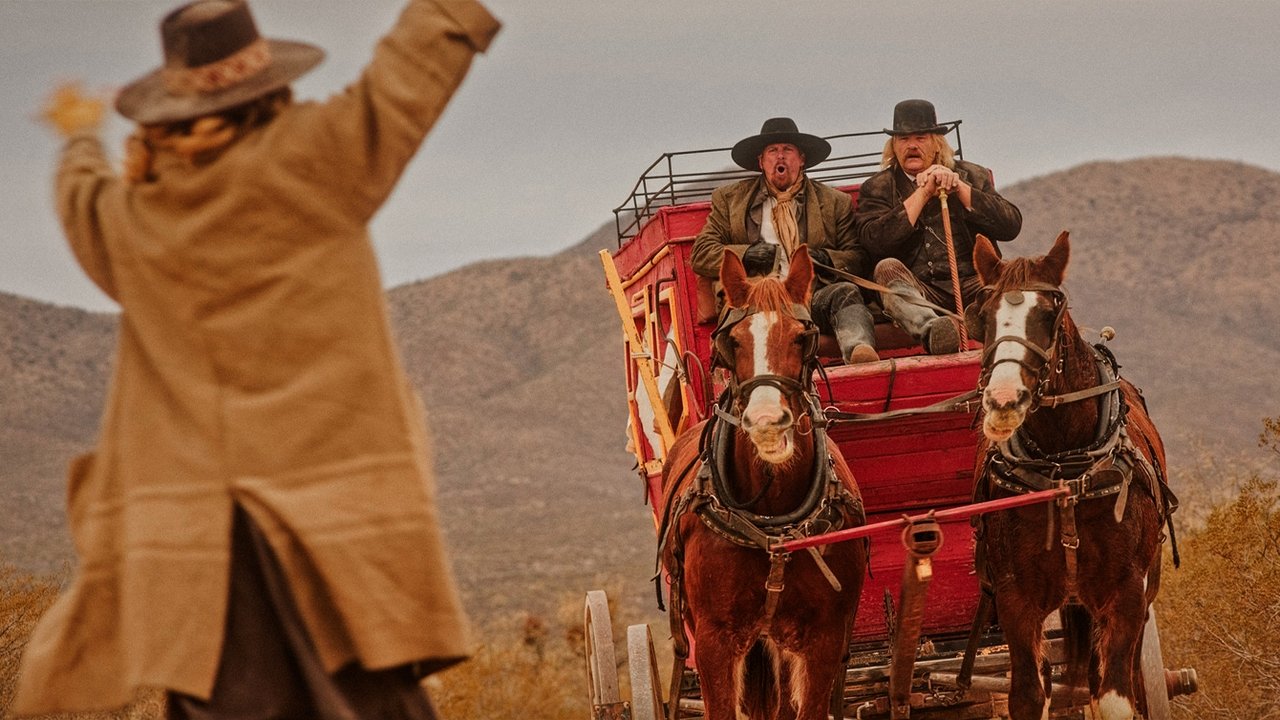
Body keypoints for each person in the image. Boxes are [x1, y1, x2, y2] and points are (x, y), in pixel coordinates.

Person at [19, 1, 499, 718]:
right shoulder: (324, 158)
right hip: (338, 537)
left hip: (200, 547)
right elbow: (414, 67)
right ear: (268, 84)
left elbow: (79, 196)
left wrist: (81, 134)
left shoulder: (135, 220)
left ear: (172, 104)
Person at [690, 118, 878, 364]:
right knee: (746, 331)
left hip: (809, 296)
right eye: (772, 151)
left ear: (801, 159)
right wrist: (747, 254)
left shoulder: (834, 202)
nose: (780, 157)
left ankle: (860, 353)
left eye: (787, 150)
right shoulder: (730, 200)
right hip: (752, 301)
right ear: (761, 162)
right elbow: (701, 253)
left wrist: (825, 258)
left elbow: (857, 257)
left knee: (845, 292)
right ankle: (742, 390)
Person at [855, 99, 1022, 354]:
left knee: (1014, 271)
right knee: (886, 268)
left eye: (920, 138)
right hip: (919, 292)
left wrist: (961, 189)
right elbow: (874, 243)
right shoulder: (877, 187)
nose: (911, 145)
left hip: (975, 283)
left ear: (936, 143)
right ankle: (934, 331)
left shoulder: (973, 175)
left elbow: (1011, 226)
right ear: (893, 146)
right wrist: (923, 193)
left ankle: (982, 316)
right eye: (902, 139)